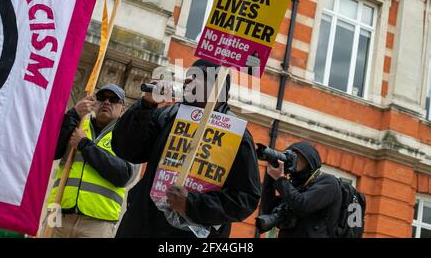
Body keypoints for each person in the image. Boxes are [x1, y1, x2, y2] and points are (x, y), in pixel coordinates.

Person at [111, 59, 261, 238]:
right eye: (188, 76)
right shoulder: (167, 116)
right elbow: (126, 149)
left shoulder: (236, 135)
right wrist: (146, 106)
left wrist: (191, 204)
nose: (188, 81)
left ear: (217, 88)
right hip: (140, 227)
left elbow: (246, 197)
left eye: (197, 77)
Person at [46, 84, 139, 238]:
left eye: (113, 99)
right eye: (101, 98)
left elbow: (123, 175)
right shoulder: (78, 125)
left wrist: (84, 145)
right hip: (57, 213)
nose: (106, 102)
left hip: (97, 223)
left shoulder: (129, 137)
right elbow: (51, 151)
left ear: (122, 109)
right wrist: (73, 114)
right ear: (94, 103)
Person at [260, 141, 342, 238]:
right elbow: (268, 209)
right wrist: (270, 178)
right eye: (289, 155)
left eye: (297, 156)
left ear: (310, 160)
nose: (292, 159)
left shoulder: (328, 182)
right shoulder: (293, 186)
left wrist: (280, 179)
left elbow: (302, 204)